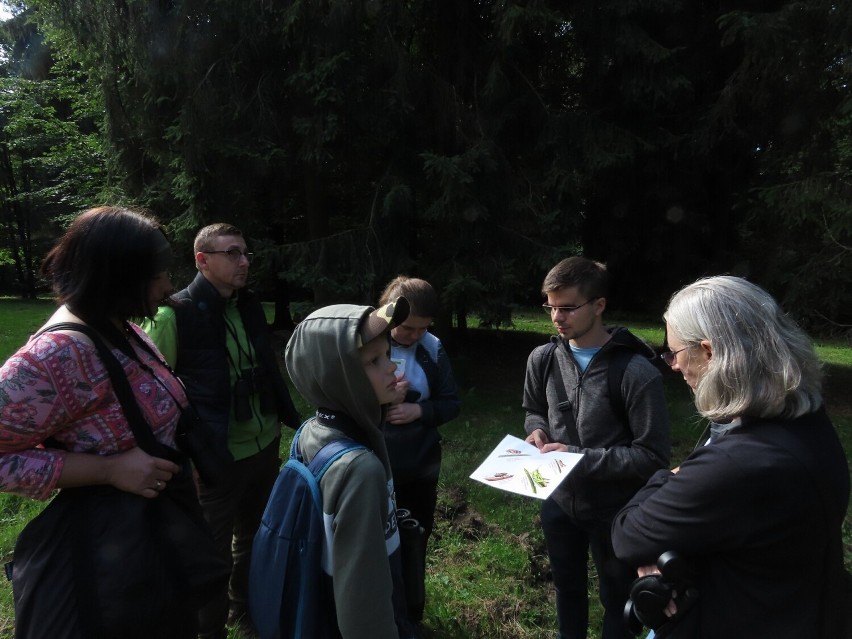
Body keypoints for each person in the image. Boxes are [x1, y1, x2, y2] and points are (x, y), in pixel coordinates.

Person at [0, 206, 211, 636]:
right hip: (110, 565)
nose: (169, 286)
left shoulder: (119, 327)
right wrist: (109, 469)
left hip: (151, 543)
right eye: (157, 274)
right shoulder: (56, 354)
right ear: (118, 274)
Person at [611, 276, 851, 638]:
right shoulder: (803, 420)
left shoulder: (739, 461)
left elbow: (627, 534)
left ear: (708, 352)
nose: (673, 366)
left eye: (674, 353)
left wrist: (669, 476)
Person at [143, 223, 301, 639]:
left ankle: (244, 613)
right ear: (202, 260)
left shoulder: (248, 305)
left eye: (246, 253)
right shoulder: (171, 315)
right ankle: (207, 631)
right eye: (232, 253)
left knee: (256, 536)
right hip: (215, 458)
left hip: (265, 444)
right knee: (211, 553)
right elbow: (157, 398)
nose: (244, 262)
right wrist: (186, 458)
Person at [522, 256, 671, 639]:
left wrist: (577, 459)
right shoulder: (542, 359)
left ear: (599, 305)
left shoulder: (636, 372)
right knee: (567, 588)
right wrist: (536, 431)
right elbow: (535, 410)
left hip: (615, 512)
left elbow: (652, 457)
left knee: (617, 598)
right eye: (551, 306)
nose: (557, 317)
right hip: (558, 501)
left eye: (568, 307)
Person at [285, 298, 421, 639]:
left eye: (387, 354)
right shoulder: (360, 469)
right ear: (338, 377)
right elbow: (364, 608)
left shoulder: (312, 431)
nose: (392, 368)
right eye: (373, 361)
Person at [378, 276, 460, 619]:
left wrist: (419, 410)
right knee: (375, 542)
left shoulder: (431, 346)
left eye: (422, 329)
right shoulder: (367, 343)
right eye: (408, 328)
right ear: (389, 314)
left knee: (415, 539)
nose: (414, 336)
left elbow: (451, 403)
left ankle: (412, 613)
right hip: (376, 462)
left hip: (420, 465)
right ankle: (376, 611)